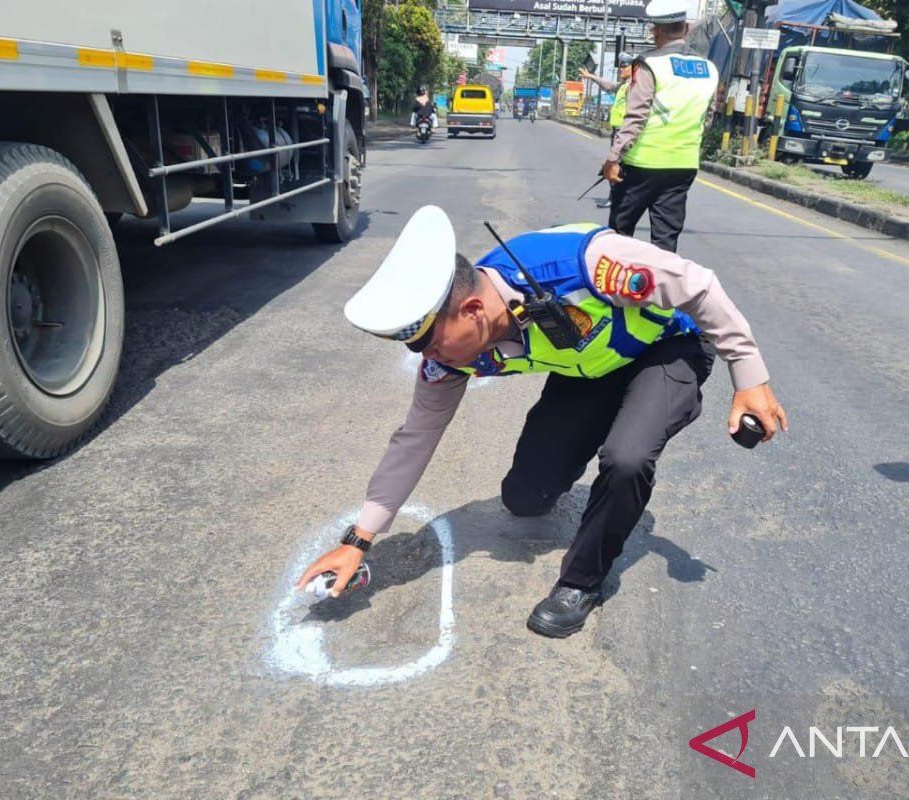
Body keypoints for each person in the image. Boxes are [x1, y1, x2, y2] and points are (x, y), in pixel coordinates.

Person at [297, 206, 787, 639]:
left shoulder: (581, 264)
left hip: (666, 350)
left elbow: (698, 285)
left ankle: (581, 583)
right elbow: (416, 437)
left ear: (472, 311)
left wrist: (748, 376)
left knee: (626, 456)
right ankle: (587, 449)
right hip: (591, 370)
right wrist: (358, 540)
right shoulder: (451, 354)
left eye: (430, 343)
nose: (428, 358)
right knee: (524, 499)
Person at [603, 0, 719, 252]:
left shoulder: (648, 64)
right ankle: (661, 289)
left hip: (641, 164)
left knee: (619, 236)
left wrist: (613, 158)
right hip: (683, 165)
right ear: (686, 29)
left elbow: (636, 116)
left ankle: (619, 290)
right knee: (666, 241)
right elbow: (707, 117)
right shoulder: (709, 69)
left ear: (656, 32)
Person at [580, 51, 634, 208]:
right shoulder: (624, 85)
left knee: (614, 164)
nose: (620, 70)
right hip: (617, 130)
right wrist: (591, 77)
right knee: (616, 164)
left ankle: (616, 199)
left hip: (624, 131)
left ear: (633, 68)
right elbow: (609, 86)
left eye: (624, 67)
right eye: (620, 67)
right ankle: (616, 197)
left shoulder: (633, 86)